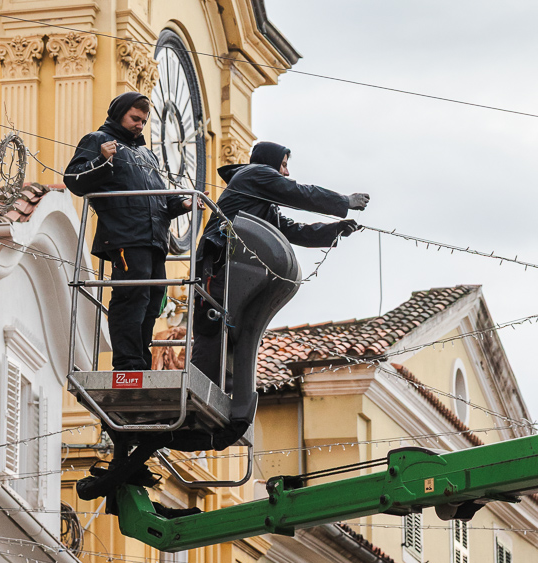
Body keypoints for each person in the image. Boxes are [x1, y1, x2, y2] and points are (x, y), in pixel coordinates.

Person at [191, 141, 368, 375]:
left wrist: (334, 230)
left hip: (232, 267)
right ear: (270, 163)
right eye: (283, 165)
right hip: (218, 262)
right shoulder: (255, 173)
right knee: (214, 321)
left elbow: (292, 230)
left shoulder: (262, 203)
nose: (286, 172)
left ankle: (223, 387)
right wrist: (344, 202)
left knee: (234, 328)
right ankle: (201, 384)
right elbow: (298, 192)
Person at [65, 92, 191, 370]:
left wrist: (182, 203)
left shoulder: (146, 154)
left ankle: (139, 358)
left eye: (144, 121)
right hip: (124, 234)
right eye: (135, 118)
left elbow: (159, 196)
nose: (139, 125)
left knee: (152, 300)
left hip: (155, 238)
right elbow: (74, 179)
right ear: (119, 113)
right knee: (131, 296)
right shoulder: (98, 141)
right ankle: (127, 361)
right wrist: (101, 160)